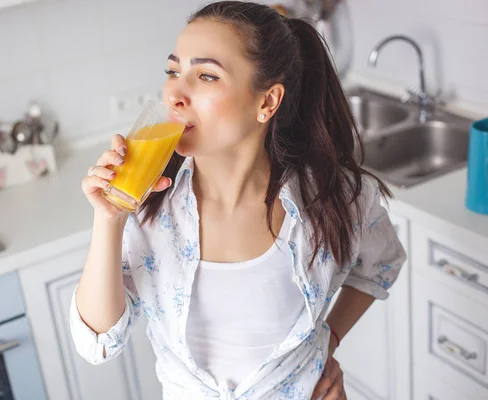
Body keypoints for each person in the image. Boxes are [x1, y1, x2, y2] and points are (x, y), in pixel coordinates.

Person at [71, 1, 406, 399]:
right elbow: (98, 343)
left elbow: (381, 265)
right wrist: (109, 219)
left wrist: (328, 340)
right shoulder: (148, 209)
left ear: (267, 102)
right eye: (173, 71)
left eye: (206, 76)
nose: (175, 93)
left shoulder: (335, 199)